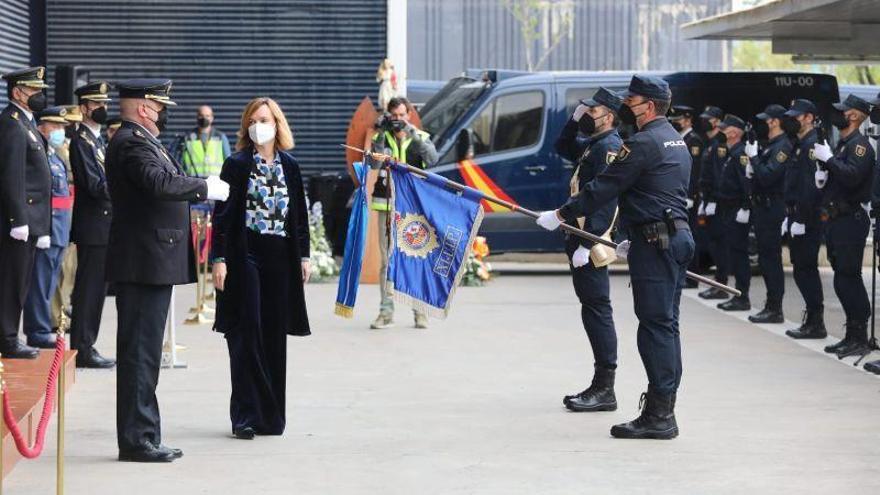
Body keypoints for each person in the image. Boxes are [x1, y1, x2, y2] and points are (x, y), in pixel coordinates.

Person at [536, 75, 694, 440]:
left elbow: (604, 188)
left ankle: (659, 416)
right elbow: (659, 193)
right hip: (669, 237)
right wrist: (630, 237)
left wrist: (560, 215)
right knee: (666, 328)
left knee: (655, 329)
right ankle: (661, 409)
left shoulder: (642, 142)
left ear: (649, 106)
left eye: (633, 100)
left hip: (657, 244)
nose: (627, 105)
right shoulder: (674, 140)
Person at [106, 79, 230, 462]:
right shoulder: (131, 142)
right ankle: (138, 440)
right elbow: (159, 182)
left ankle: (144, 434)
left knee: (144, 353)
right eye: (158, 106)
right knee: (141, 355)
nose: (162, 112)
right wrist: (204, 187)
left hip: (150, 261)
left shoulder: (141, 140)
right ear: (144, 108)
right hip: (144, 262)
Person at [211, 97, 311, 440]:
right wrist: (219, 259)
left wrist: (304, 256)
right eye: (253, 120)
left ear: (277, 124)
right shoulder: (236, 164)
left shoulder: (290, 165)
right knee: (246, 331)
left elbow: (299, 215)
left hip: (280, 255)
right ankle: (245, 416)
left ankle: (271, 415)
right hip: (245, 254)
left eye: (265, 119)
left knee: (272, 333)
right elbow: (221, 216)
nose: (259, 125)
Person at [553, 88, 623, 412]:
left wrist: (587, 242)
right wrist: (574, 118)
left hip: (590, 241)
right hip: (581, 235)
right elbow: (563, 146)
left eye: (592, 111)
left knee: (597, 310)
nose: (587, 115)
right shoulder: (596, 144)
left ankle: (604, 388)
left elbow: (605, 199)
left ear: (608, 116)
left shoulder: (609, 147)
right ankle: (600, 385)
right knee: (591, 308)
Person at [367, 96, 438, 330]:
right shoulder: (382, 136)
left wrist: (412, 133)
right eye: (394, 116)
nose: (398, 120)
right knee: (387, 260)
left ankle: (420, 312)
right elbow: (374, 166)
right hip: (385, 204)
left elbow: (432, 158)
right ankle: (386, 312)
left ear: (409, 114)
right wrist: (378, 136)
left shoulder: (420, 136)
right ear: (388, 115)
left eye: (402, 115)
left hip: (413, 208)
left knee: (415, 258)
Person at [814, 95, 874, 358]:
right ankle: (851, 335)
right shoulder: (844, 145)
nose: (837, 115)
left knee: (849, 279)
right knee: (841, 279)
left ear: (853, 116)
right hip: (838, 220)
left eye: (842, 111)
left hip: (851, 220)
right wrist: (824, 173)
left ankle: (860, 337)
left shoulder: (860, 145)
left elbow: (851, 177)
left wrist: (828, 161)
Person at [0, 66, 51, 359]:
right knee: (11, 282)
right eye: (35, 91)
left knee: (21, 282)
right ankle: (7, 339)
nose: (40, 96)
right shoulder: (11, 123)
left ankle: (9, 334)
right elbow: (12, 176)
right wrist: (17, 219)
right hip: (19, 223)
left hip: (32, 222)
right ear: (18, 92)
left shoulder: (27, 123)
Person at [69, 81, 115, 368]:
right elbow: (95, 185)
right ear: (84, 107)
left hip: (105, 226)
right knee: (89, 291)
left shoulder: (97, 141)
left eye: (105, 104)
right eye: (97, 105)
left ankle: (89, 344)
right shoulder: (81, 142)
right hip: (93, 226)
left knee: (98, 290)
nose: (103, 109)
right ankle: (83, 348)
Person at [22, 107, 73, 348]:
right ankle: (38, 330)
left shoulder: (55, 156)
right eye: (56, 127)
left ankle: (43, 326)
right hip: (47, 228)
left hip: (60, 229)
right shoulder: (39, 155)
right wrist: (40, 229)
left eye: (62, 127)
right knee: (40, 283)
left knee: (51, 282)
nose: (61, 132)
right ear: (43, 127)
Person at [782, 99, 826, 340]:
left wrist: (801, 218)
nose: (792, 120)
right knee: (801, 269)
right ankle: (812, 318)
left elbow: (811, 187)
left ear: (808, 117)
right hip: (796, 214)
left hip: (807, 217)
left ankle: (816, 322)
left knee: (806, 269)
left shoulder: (813, 144)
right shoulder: (801, 143)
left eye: (796, 116)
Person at [747, 105, 791, 324]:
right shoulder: (771, 145)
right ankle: (770, 305)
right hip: (763, 208)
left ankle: (775, 308)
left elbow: (768, 177)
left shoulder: (783, 146)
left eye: (767, 120)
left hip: (772, 208)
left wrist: (753, 160)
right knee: (765, 260)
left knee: (771, 260)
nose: (764, 124)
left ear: (775, 122)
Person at [714, 115, 752, 311]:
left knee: (739, 254)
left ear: (735, 132)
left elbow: (746, 183)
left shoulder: (740, 154)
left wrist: (745, 207)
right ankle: (738, 294)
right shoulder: (732, 152)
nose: (722, 131)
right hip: (728, 209)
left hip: (737, 209)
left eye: (726, 129)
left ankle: (742, 296)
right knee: (734, 253)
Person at [669, 105, 705, 288]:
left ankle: (692, 277)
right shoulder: (679, 139)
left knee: (690, 237)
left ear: (688, 119)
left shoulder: (694, 140)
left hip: (689, 197)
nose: (676, 123)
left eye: (679, 119)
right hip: (678, 196)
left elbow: (695, 172)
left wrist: (691, 195)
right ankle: (684, 274)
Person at [696, 106, 730, 300]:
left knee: (719, 245)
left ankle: (721, 284)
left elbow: (719, 177)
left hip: (717, 203)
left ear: (717, 121)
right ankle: (717, 283)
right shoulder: (711, 143)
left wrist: (713, 200)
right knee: (713, 245)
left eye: (708, 118)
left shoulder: (720, 145)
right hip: (708, 201)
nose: (704, 121)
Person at [172, 105, 231, 178]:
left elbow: (229, 163)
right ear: (197, 117)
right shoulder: (187, 138)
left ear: (212, 118)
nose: (204, 118)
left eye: (207, 116)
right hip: (193, 182)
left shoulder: (220, 137)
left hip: (215, 184)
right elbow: (178, 163)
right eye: (201, 115)